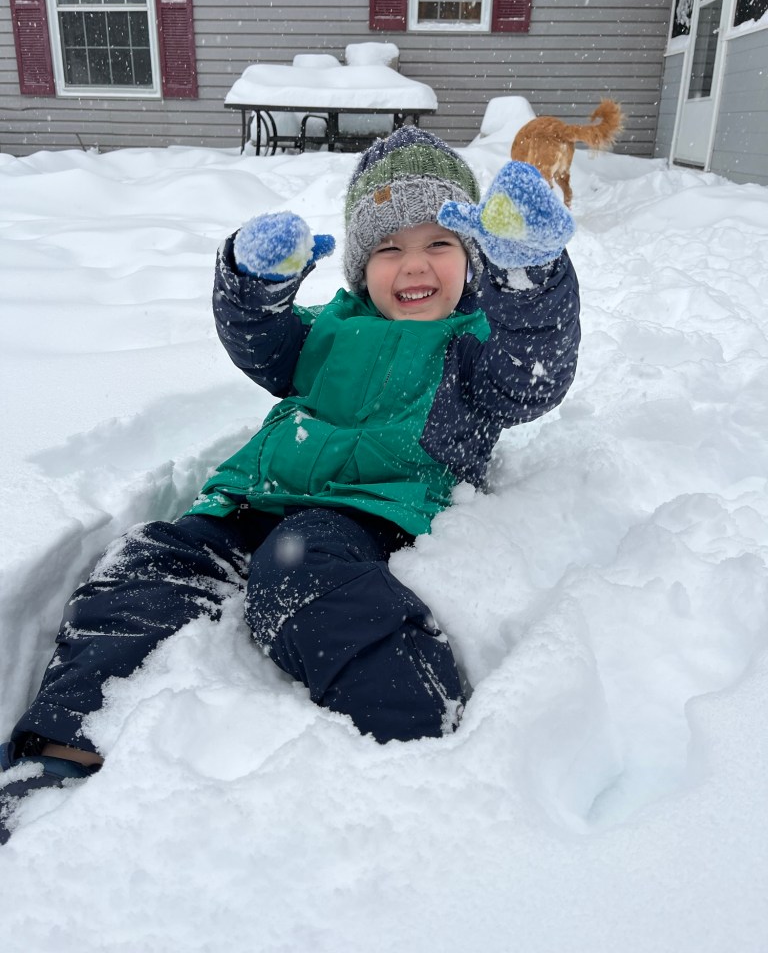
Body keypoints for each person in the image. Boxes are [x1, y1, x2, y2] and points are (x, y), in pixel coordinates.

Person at [0, 127, 580, 844]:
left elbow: (537, 372)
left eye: (439, 243)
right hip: (251, 499)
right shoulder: (329, 328)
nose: (413, 265)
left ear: (475, 256)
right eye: (388, 249)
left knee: (301, 570)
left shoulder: (478, 347)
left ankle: (416, 734)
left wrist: (531, 275)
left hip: (365, 514)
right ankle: (61, 743)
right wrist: (254, 285)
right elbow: (260, 341)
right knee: (147, 560)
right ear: (361, 266)